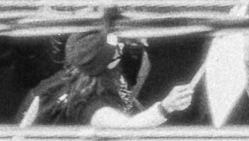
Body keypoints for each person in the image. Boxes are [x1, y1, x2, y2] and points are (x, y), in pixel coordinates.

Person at [22, 32, 195, 127]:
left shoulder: (65, 78)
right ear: (110, 62)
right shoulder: (92, 106)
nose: (122, 46)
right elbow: (128, 131)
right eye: (118, 47)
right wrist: (166, 107)